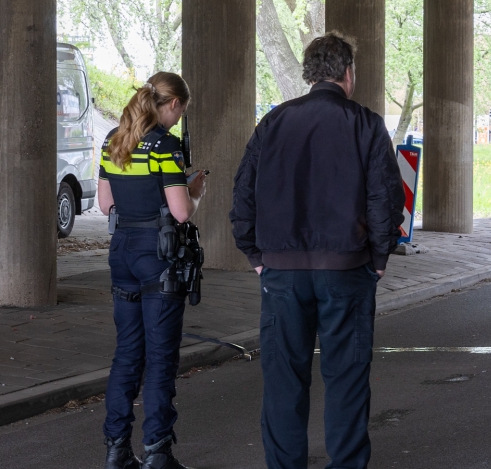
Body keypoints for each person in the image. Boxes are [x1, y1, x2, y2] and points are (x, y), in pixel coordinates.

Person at [231, 32, 405, 469]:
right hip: (347, 267)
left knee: (284, 377)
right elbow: (385, 198)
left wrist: (254, 254)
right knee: (346, 375)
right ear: (347, 74)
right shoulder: (366, 123)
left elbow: (243, 196)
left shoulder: (272, 123)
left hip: (282, 271)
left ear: (310, 75)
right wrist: (379, 258)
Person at [98, 73, 207, 469]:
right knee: (160, 358)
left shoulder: (114, 139)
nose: (178, 120)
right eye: (181, 111)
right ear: (173, 104)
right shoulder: (165, 144)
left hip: (122, 253)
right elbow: (180, 212)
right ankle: (158, 453)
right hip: (158, 257)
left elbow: (105, 204)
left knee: (126, 354)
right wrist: (195, 190)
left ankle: (117, 451)